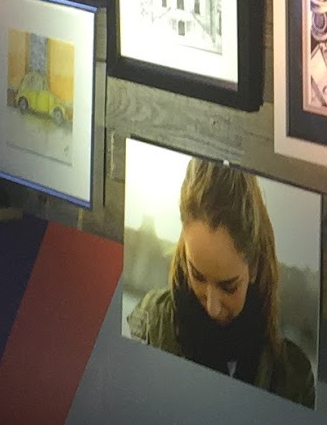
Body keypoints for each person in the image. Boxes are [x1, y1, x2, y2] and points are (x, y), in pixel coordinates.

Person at [127, 158, 316, 406]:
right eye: (197, 276)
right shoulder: (148, 325)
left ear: (254, 268)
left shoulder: (294, 378)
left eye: (228, 287)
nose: (212, 307)